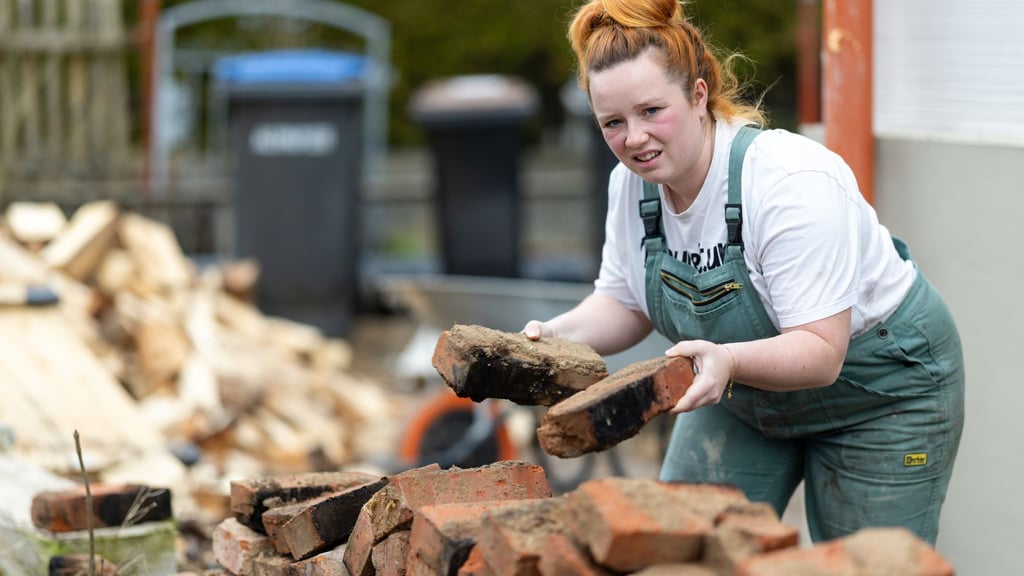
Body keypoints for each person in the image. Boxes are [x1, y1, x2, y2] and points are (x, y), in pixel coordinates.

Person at [523, 0, 964, 545]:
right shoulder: (631, 188)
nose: (633, 138)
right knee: (680, 551)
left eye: (652, 111)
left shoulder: (788, 182)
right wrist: (554, 339)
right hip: (740, 391)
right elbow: (624, 301)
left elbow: (821, 352)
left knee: (863, 564)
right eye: (613, 122)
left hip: (881, 393)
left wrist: (726, 359)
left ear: (699, 95)